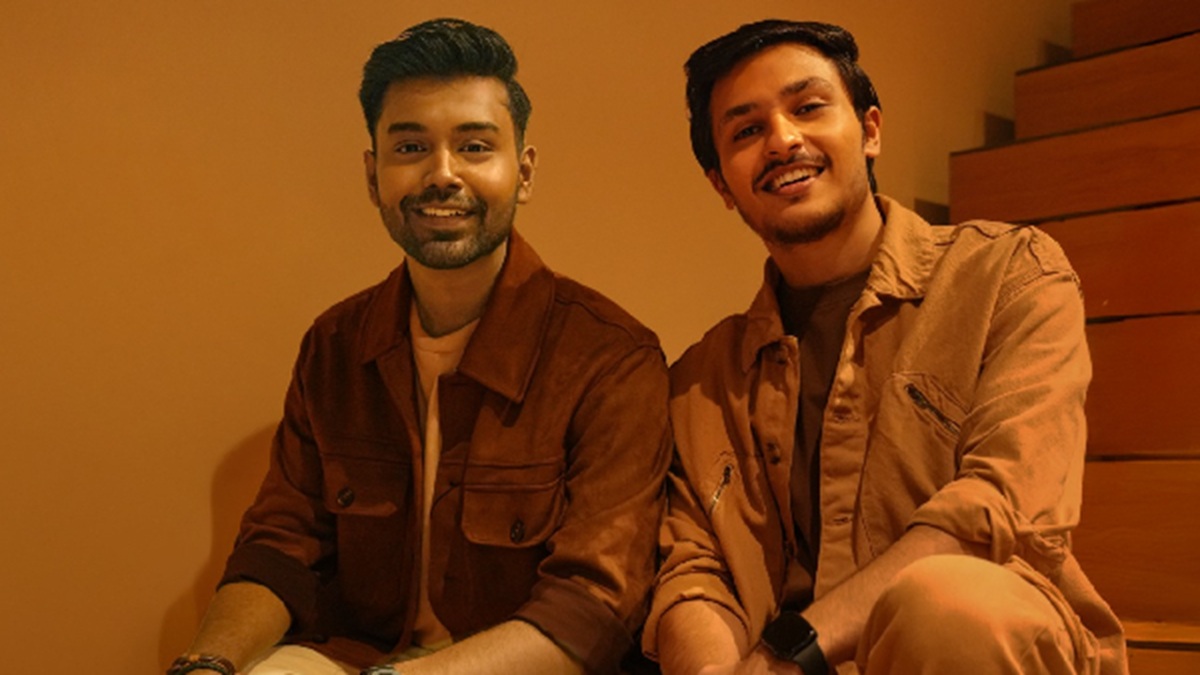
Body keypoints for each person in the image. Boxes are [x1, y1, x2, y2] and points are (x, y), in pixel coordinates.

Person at [167, 18, 671, 675]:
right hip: (357, 656)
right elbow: (281, 548)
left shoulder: (611, 359)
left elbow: (591, 610)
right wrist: (207, 663)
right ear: (373, 174)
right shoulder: (335, 346)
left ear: (523, 172)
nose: (442, 174)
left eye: (474, 147)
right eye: (410, 147)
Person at [643, 19, 1127, 675]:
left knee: (947, 604)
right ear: (722, 185)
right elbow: (694, 571)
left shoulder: (1009, 275)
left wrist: (789, 655)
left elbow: (999, 507)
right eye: (747, 131)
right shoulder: (701, 379)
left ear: (870, 130)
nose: (782, 139)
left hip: (972, 646)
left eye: (807, 107)